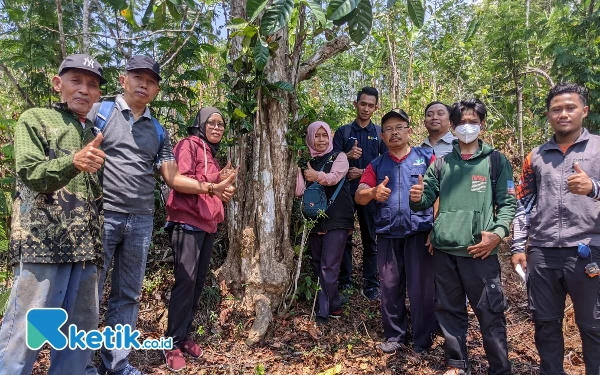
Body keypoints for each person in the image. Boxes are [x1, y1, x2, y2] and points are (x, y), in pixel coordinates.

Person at [86, 56, 235, 375]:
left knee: (128, 294)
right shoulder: (100, 112)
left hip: (140, 219)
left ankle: (116, 363)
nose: (144, 84)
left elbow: (171, 176)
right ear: (123, 80)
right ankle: (81, 363)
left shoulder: (157, 129)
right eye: (137, 77)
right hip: (105, 215)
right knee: (90, 291)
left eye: (151, 80)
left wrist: (215, 188)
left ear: (156, 88)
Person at [0, 54, 106, 374]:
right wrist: (73, 162)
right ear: (58, 84)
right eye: (76, 81)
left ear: (99, 95)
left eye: (92, 85)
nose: (84, 90)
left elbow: (96, 192)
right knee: (29, 329)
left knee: (80, 332)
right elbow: (30, 172)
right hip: (43, 243)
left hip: (85, 249)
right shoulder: (36, 118)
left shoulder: (93, 133)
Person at [409, 99, 516, 375]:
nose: (468, 127)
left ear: (482, 125)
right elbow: (425, 200)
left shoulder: (495, 160)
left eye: (474, 122)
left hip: (480, 252)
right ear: (453, 127)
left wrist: (499, 234)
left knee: (490, 314)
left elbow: (508, 204)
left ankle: (500, 369)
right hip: (445, 251)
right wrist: (417, 198)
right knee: (449, 311)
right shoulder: (442, 163)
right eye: (462, 122)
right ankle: (457, 365)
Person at [511, 83, 600, 375]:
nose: (563, 114)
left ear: (584, 111)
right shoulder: (535, 156)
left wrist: (593, 188)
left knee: (593, 325)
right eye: (556, 109)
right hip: (542, 253)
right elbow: (523, 204)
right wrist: (518, 247)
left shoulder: (598, 148)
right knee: (545, 324)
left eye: (570, 107)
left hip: (588, 251)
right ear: (549, 115)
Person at [355, 109, 436, 354]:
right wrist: (373, 193)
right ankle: (395, 336)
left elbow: (440, 194)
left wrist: (436, 227)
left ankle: (423, 339)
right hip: (388, 234)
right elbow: (359, 195)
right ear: (382, 136)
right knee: (390, 287)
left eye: (399, 127)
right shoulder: (376, 164)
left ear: (410, 131)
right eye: (388, 129)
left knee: (421, 288)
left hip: (420, 233)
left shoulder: (426, 157)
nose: (394, 132)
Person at [162, 107, 235, 372]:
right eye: (212, 123)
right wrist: (214, 185)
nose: (217, 128)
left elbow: (208, 187)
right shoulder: (188, 145)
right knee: (186, 282)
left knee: (197, 283)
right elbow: (179, 180)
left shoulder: (211, 155)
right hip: (187, 221)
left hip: (206, 225)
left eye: (221, 124)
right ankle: (171, 343)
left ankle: (184, 337)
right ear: (200, 124)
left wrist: (221, 182)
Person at [295, 121, 354, 325]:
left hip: (337, 217)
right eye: (317, 136)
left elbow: (334, 178)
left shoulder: (339, 156)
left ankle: (323, 312)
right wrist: (297, 171)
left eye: (324, 136)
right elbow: (300, 192)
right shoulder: (307, 162)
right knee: (318, 262)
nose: (321, 140)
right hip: (316, 217)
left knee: (329, 265)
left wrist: (315, 175)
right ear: (310, 138)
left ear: (330, 137)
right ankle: (335, 304)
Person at [332, 87, 387, 301]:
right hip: (345, 193)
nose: (366, 108)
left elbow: (387, 163)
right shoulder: (343, 132)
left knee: (370, 238)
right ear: (355, 104)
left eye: (370, 105)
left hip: (369, 193)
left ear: (375, 107)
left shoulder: (379, 133)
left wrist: (363, 171)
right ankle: (346, 282)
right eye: (362, 104)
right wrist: (347, 155)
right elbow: (330, 161)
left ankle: (371, 284)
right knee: (345, 237)